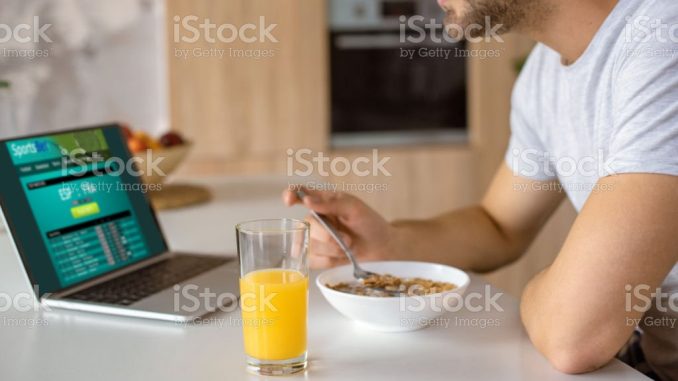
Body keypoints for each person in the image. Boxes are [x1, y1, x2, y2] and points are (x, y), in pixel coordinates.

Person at [283, 0, 678, 378]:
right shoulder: (544, 72)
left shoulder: (664, 39)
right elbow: (499, 225)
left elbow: (574, 336)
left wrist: (572, 296)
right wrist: (390, 244)